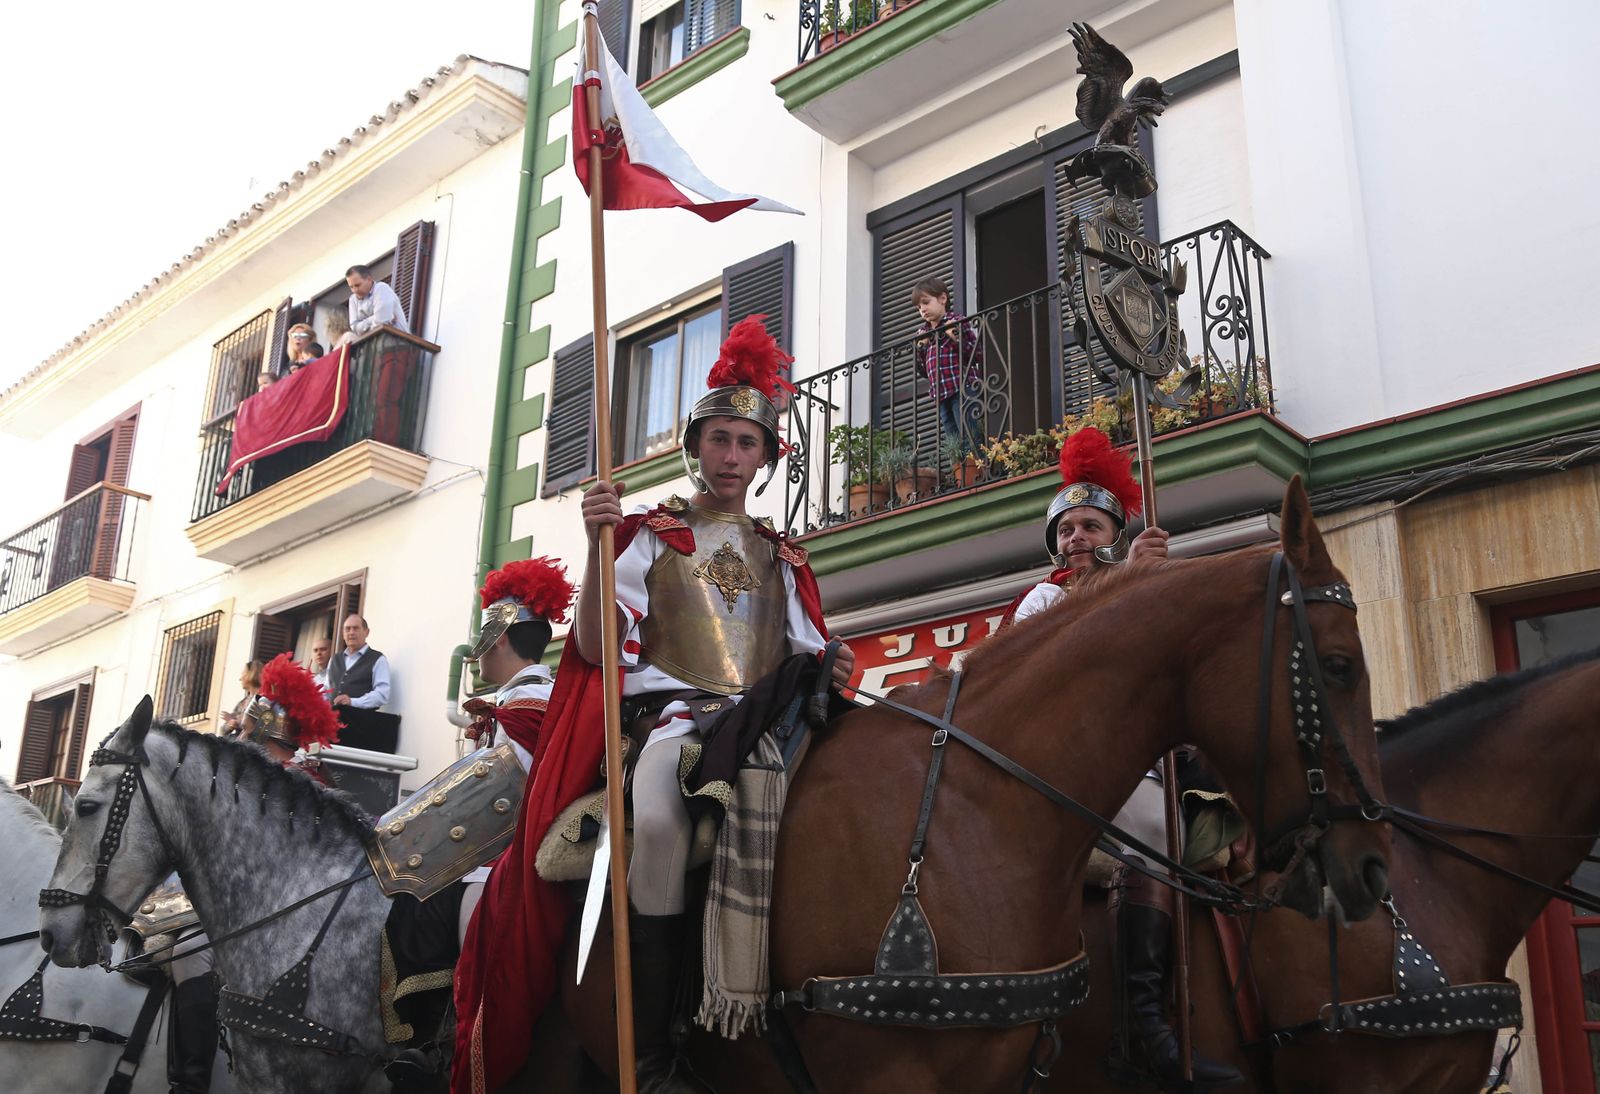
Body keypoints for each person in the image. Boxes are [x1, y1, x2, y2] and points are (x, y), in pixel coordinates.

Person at [452, 316, 853, 1094]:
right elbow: (601, 653)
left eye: (748, 443)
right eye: (720, 440)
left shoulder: (784, 557)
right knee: (665, 812)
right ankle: (656, 1051)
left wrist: (834, 665)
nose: (733, 456)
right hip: (673, 721)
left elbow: (808, 654)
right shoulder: (649, 537)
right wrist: (599, 544)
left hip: (769, 720)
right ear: (695, 448)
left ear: (766, 456)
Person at [1007, 427, 1241, 1089]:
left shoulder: (1141, 590)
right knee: (1153, 837)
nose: (1076, 537)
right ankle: (1144, 1022)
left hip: (1145, 763)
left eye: (1090, 525)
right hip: (1064, 767)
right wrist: (1133, 584)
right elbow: (1057, 670)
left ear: (1113, 532)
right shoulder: (1045, 598)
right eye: (1067, 528)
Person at [383, 558, 573, 1089]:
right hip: (493, 846)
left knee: (458, 908)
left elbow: (490, 798)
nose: (476, 648)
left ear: (503, 637)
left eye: (485, 635)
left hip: (512, 852)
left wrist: (398, 834)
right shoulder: (515, 700)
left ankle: (452, 1042)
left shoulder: (530, 702)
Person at [912, 277, 983, 457]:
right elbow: (923, 370)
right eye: (919, 307)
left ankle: (980, 468)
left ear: (943, 299)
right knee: (953, 439)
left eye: (926, 303)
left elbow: (977, 354)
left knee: (970, 433)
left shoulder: (957, 321)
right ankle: (962, 474)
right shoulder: (922, 333)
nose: (923, 310)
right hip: (941, 394)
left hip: (962, 387)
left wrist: (955, 337)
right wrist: (920, 347)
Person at [327, 613, 390, 710]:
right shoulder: (334, 660)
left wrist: (353, 702)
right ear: (343, 634)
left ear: (366, 632)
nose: (351, 632)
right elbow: (326, 691)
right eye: (347, 629)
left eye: (355, 628)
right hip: (333, 721)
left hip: (360, 721)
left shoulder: (378, 659)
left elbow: (382, 694)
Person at [337, 264, 408, 346]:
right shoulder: (353, 300)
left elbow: (382, 321)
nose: (355, 290)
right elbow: (354, 328)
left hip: (398, 344)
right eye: (351, 287)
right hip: (375, 347)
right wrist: (374, 318)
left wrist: (364, 328)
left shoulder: (381, 288)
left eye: (357, 285)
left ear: (369, 279)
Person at [219, 660, 265, 734]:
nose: (240, 678)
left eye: (243, 673)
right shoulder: (242, 703)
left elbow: (260, 726)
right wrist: (230, 724)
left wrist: (236, 722)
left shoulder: (263, 701)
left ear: (251, 674)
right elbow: (222, 731)